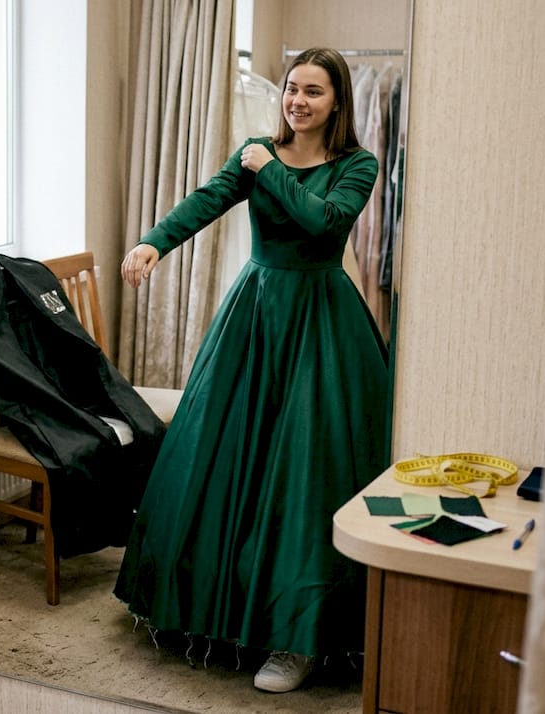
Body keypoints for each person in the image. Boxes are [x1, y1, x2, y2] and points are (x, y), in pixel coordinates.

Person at [113, 47, 389, 694]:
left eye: (313, 91)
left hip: (322, 322)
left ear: (337, 103)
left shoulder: (357, 164)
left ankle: (299, 639)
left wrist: (271, 170)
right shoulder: (256, 151)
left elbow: (323, 221)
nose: (297, 100)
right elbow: (206, 200)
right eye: (292, 87)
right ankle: (216, 609)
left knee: (307, 474)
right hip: (255, 315)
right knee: (224, 458)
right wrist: (153, 242)